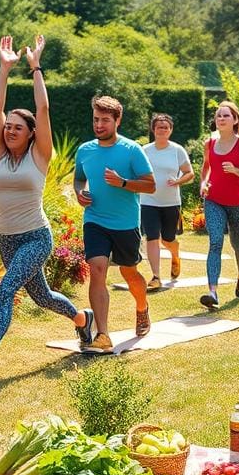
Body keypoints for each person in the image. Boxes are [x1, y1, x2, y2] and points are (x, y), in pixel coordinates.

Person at [0, 36, 96, 384]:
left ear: (32, 134)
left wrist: (35, 68)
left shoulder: (39, 156)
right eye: (8, 127)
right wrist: (4, 69)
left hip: (36, 236)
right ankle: (82, 320)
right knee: (43, 296)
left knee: (6, 290)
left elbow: (44, 111)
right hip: (7, 239)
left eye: (18, 127)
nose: (10, 130)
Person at [73, 95, 155, 354]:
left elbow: (150, 185)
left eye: (105, 120)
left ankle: (142, 307)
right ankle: (103, 334)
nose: (99, 125)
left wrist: (122, 182)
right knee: (97, 269)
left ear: (117, 120)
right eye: (96, 119)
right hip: (95, 219)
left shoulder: (132, 150)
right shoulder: (85, 150)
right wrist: (80, 193)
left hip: (126, 223)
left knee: (129, 272)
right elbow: (78, 179)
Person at [198, 101, 239, 309]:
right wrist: (203, 183)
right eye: (218, 116)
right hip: (214, 199)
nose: (221, 119)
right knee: (215, 242)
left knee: (237, 243)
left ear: (235, 120)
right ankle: (212, 292)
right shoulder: (209, 143)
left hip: (238, 202)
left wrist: (237, 171)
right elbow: (206, 167)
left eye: (226, 116)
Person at [141, 113, 194, 290]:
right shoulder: (145, 151)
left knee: (168, 239)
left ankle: (175, 253)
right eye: (159, 127)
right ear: (153, 129)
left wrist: (178, 181)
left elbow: (190, 173)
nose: (162, 130)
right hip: (148, 200)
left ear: (170, 130)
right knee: (152, 237)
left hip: (171, 202)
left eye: (165, 127)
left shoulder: (177, 150)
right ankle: (156, 276)